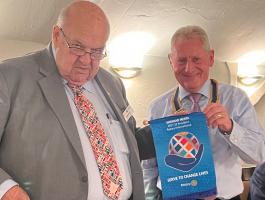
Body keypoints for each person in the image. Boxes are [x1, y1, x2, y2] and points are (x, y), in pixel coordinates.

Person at [0, 1, 145, 200]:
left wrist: (173, 126)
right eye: (78, 47)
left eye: (96, 52)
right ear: (57, 35)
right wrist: (5, 188)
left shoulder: (113, 83)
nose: (86, 60)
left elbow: (132, 142)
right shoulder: (9, 77)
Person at [141, 25, 265, 200]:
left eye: (196, 59)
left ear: (211, 58)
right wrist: (149, 196)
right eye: (181, 60)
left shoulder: (237, 99)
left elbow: (260, 154)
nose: (189, 68)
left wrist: (231, 128)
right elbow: (149, 165)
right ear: (171, 60)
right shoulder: (157, 107)